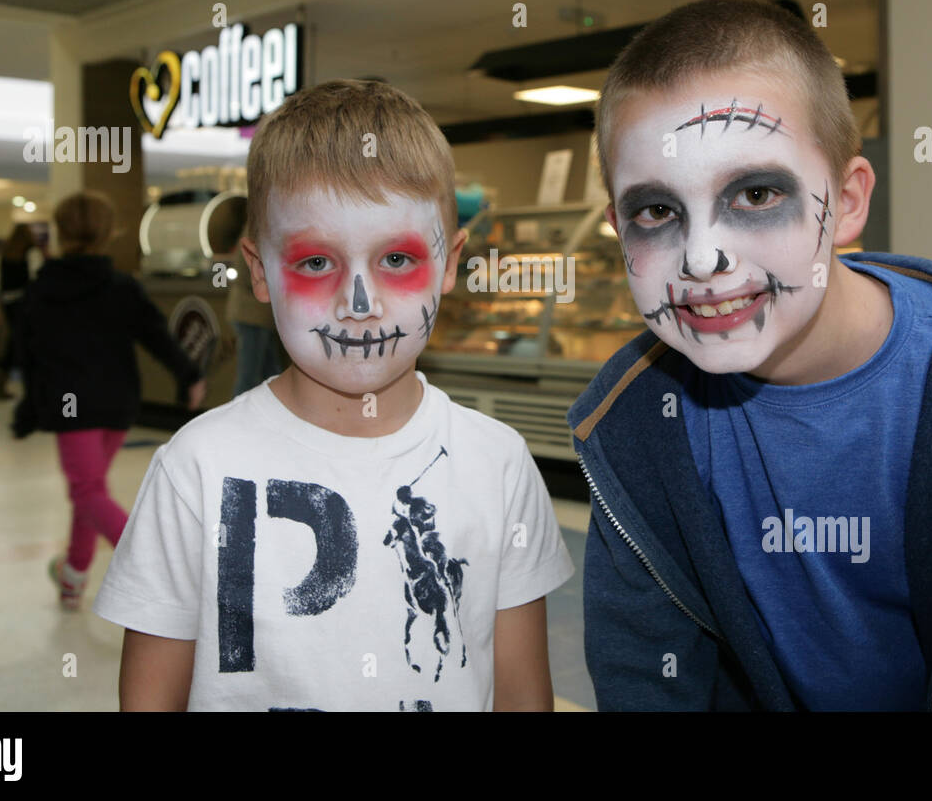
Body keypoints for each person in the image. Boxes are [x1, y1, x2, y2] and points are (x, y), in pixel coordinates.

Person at [569, 0, 932, 711]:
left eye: (754, 193)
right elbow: (646, 691)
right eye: (655, 211)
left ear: (846, 202)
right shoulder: (631, 429)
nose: (703, 258)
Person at [93, 80, 574, 711]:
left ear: (451, 263)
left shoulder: (499, 465)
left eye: (397, 260)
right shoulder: (195, 470)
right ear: (260, 272)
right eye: (316, 263)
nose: (360, 305)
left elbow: (520, 696)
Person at [13, 191, 207, 612]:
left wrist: (29, 405)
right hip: (117, 403)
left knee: (86, 490)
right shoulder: (121, 287)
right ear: (109, 233)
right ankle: (73, 578)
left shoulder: (44, 287)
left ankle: (157, 569)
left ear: (62, 233)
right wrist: (188, 374)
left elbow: (26, 352)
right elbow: (157, 335)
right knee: (91, 489)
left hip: (71, 407)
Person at [0, 222, 44, 400]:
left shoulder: (4, 253)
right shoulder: (32, 252)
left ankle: (3, 378)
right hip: (26, 302)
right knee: (21, 340)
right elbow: (37, 278)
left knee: (16, 339)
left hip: (8, 302)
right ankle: (29, 381)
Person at [226, 237, 283, 396]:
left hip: (253, 314)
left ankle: (277, 414)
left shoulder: (255, 225)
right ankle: (238, 420)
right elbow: (250, 274)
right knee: (249, 377)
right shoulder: (257, 229)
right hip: (252, 314)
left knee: (271, 374)